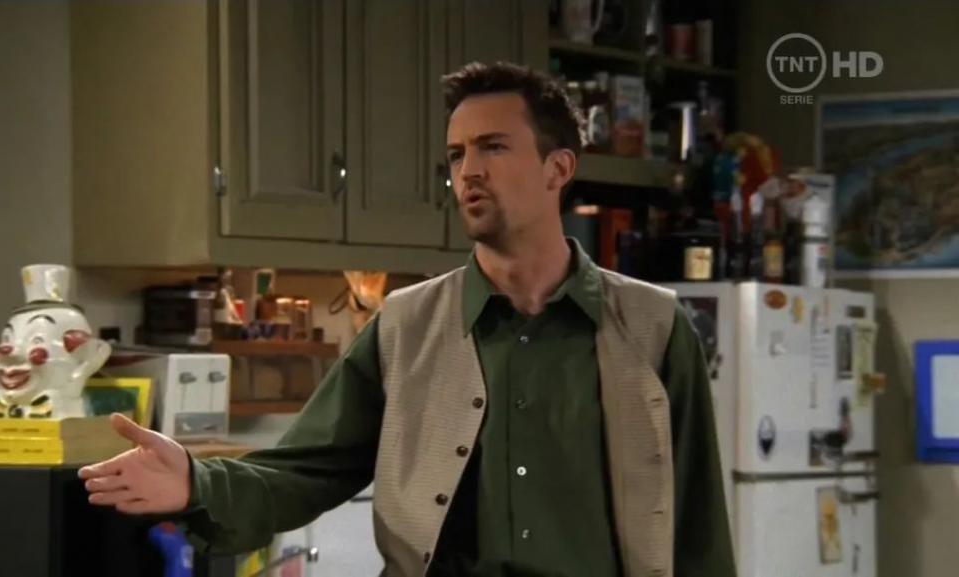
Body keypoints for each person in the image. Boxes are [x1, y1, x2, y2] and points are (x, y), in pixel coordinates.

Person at [80, 62, 735, 577]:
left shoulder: (652, 326)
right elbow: (306, 468)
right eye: (456, 155)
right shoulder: (405, 327)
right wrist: (197, 482)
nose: (469, 172)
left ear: (557, 167)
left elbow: (699, 525)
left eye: (493, 147)